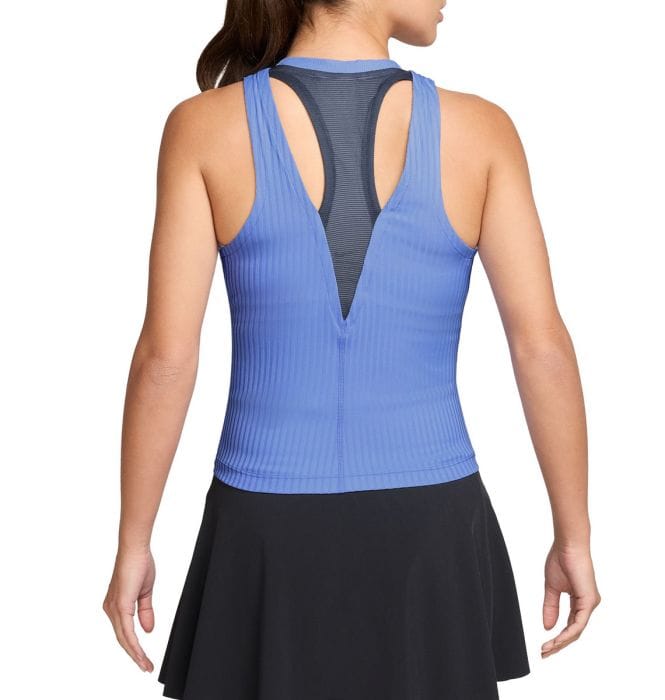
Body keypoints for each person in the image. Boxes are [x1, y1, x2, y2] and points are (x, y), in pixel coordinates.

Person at [102, 0, 601, 697]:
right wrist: (573, 535)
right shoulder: (481, 131)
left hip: (265, 529)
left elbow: (166, 358)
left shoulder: (204, 128)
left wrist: (134, 540)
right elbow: (539, 345)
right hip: (430, 529)